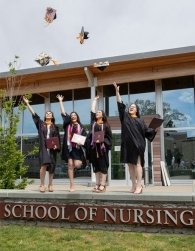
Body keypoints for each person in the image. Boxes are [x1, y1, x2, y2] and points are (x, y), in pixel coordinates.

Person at [113, 82, 156, 194]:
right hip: (127, 144)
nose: (131, 108)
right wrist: (117, 92)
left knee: (137, 164)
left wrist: (155, 126)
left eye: (133, 107)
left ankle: (139, 186)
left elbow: (148, 132)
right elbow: (120, 104)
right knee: (130, 165)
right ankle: (133, 185)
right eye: (130, 107)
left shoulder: (141, 121)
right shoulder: (125, 117)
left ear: (136, 110)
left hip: (138, 145)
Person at [23, 97, 60, 193]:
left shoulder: (55, 127)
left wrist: (56, 146)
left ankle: (50, 184)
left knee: (52, 166)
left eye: (50, 113)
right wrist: (27, 104)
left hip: (52, 149)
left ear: (52, 116)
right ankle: (42, 184)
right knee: (43, 166)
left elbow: (57, 138)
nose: (48, 114)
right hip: (44, 148)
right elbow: (34, 114)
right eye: (47, 113)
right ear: (45, 115)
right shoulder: (41, 124)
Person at [56, 94, 87, 192]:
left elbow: (84, 138)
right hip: (69, 148)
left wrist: (81, 142)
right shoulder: (67, 125)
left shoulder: (81, 127)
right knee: (70, 165)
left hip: (77, 149)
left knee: (77, 165)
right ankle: (72, 185)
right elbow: (63, 113)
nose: (73, 116)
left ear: (77, 117)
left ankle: (81, 164)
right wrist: (61, 101)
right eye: (72, 115)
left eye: (75, 115)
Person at [88, 96, 112, 193]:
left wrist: (103, 141)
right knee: (96, 167)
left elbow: (109, 137)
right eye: (97, 113)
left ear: (102, 115)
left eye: (99, 113)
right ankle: (97, 184)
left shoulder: (106, 125)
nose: (97, 114)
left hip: (102, 149)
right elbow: (92, 110)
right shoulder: (93, 123)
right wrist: (94, 100)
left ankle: (103, 185)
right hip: (94, 148)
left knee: (103, 166)